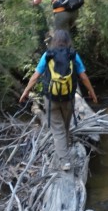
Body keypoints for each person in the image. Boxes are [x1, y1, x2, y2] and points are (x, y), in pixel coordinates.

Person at [19, 29, 98, 172]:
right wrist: (92, 93)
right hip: (68, 98)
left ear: (54, 40)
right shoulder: (73, 54)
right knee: (65, 126)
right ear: (68, 41)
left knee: (58, 130)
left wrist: (26, 92)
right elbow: (84, 77)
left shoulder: (48, 55)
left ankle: (64, 161)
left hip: (51, 98)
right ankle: (65, 151)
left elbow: (35, 76)